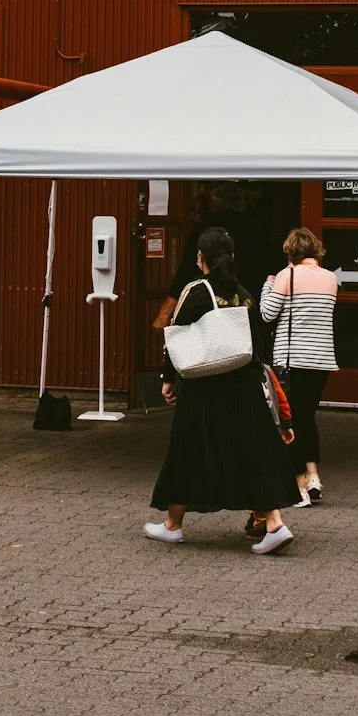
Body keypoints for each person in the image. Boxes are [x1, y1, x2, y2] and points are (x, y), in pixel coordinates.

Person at [145, 227, 301, 554]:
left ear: (200, 258)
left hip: (204, 389)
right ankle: (274, 523)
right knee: (251, 454)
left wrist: (168, 380)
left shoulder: (197, 291)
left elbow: (179, 336)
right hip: (243, 385)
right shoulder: (243, 293)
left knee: (186, 451)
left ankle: (173, 526)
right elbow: (257, 341)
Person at [259, 228, 341, 506]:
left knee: (289, 422)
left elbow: (267, 314)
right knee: (307, 417)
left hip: (292, 359)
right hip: (321, 359)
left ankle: (299, 487)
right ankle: (313, 475)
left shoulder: (287, 275)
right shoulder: (331, 278)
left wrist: (268, 286)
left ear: (291, 252)